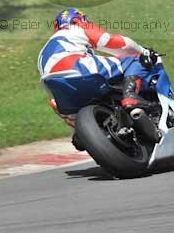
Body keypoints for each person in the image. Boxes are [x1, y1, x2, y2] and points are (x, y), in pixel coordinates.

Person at [38, 8, 158, 138]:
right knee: (134, 59)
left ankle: (80, 134)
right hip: (78, 67)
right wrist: (142, 51)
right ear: (78, 19)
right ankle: (130, 95)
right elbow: (113, 42)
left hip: (58, 90)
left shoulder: (42, 53)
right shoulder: (76, 27)